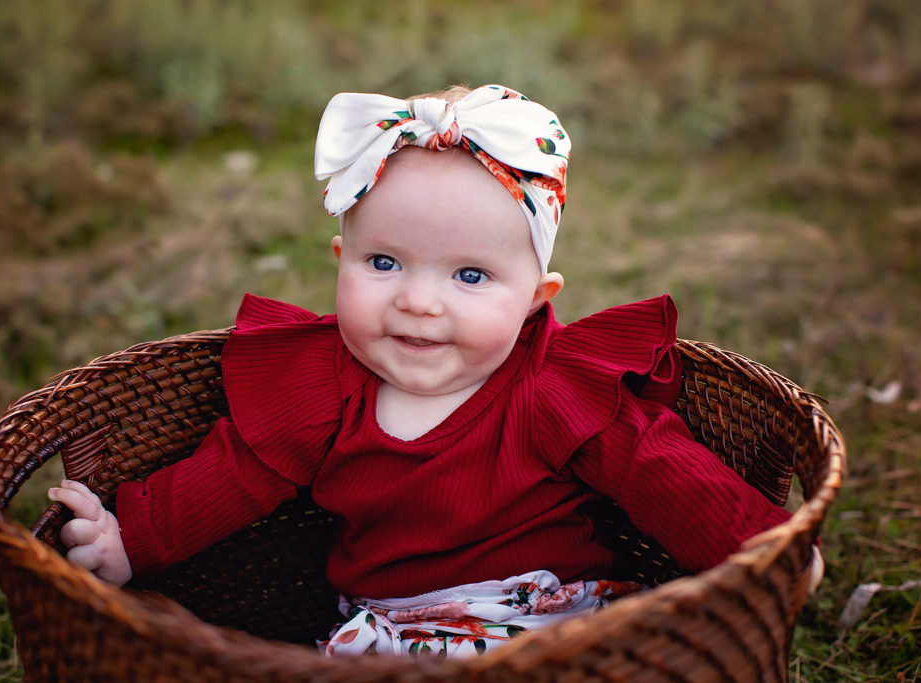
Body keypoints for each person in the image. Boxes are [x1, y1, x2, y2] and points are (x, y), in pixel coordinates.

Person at [48, 84, 819, 658]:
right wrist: (131, 537)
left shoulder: (549, 387)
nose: (419, 303)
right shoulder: (322, 386)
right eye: (384, 262)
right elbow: (231, 473)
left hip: (550, 620)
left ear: (533, 301)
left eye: (470, 277)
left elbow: (665, 472)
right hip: (394, 634)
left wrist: (767, 548)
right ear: (340, 260)